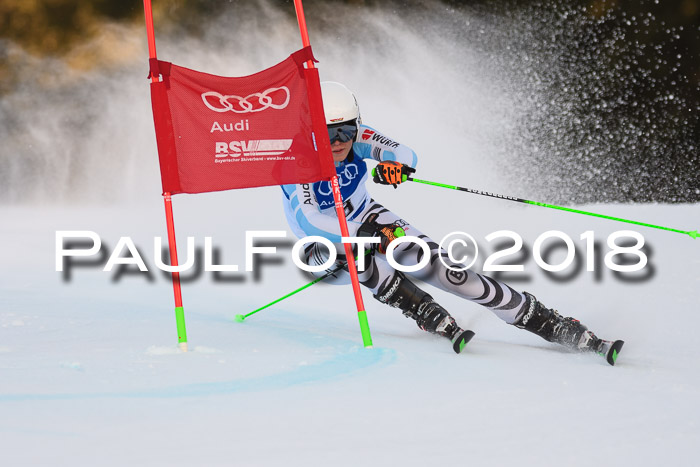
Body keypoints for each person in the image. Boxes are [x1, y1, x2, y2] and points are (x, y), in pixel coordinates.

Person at [281, 81, 623, 364]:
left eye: (345, 131)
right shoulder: (297, 160)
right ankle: (419, 307)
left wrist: (394, 166)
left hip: (365, 215)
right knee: (362, 260)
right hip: (320, 245)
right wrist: (364, 234)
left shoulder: (358, 136)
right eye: (329, 134)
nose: (339, 141)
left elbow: (401, 152)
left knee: (445, 270)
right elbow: (310, 220)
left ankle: (545, 321)